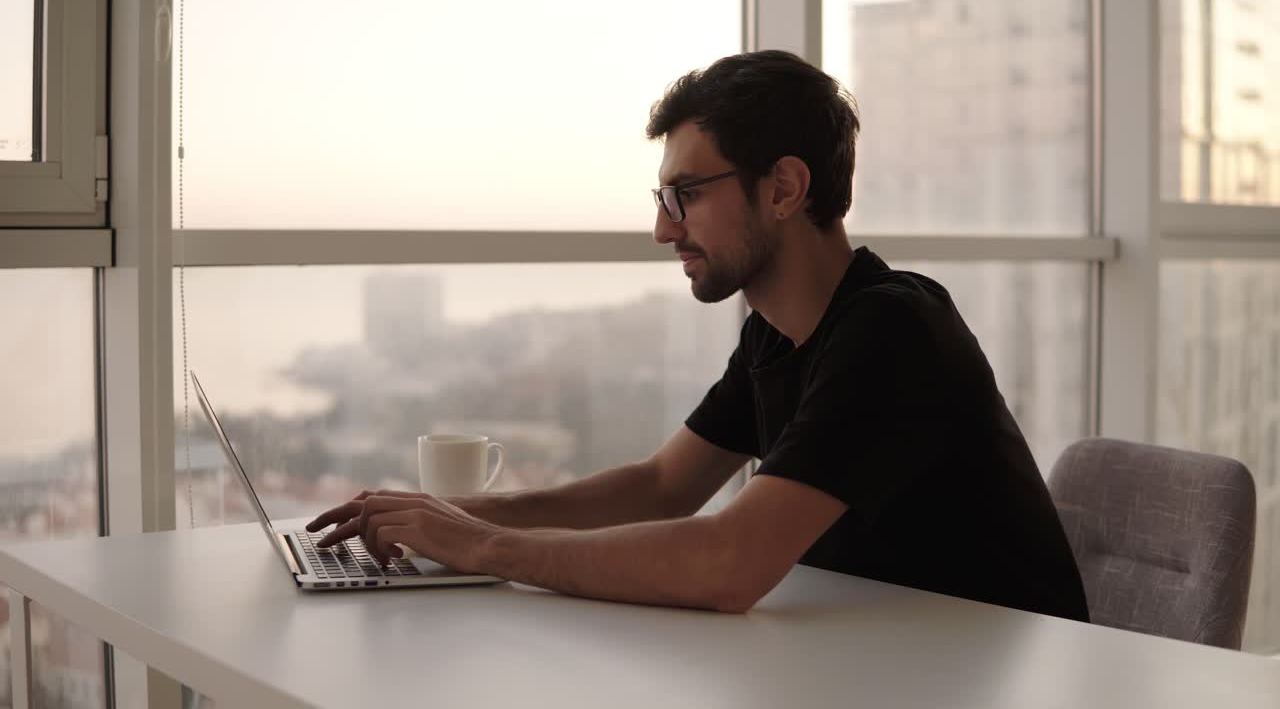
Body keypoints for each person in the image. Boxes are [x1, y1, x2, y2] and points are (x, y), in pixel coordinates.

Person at [307, 50, 1090, 621]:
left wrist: (481, 548)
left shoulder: (893, 328)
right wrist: (442, 517)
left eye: (685, 194)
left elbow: (728, 564)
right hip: (884, 668)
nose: (660, 229)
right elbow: (661, 486)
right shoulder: (776, 335)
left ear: (782, 188)